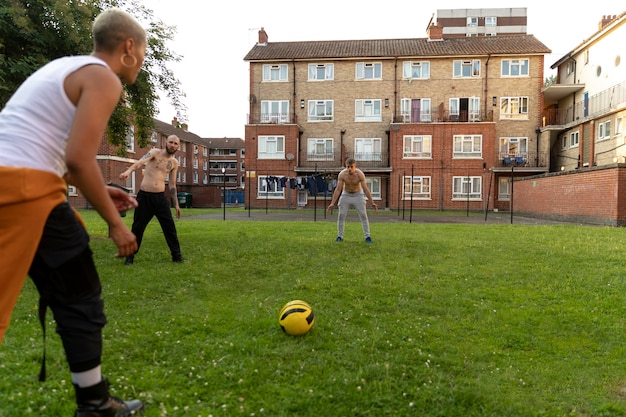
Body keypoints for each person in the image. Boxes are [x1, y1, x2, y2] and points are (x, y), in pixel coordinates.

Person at [0, 8, 146, 416]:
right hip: (21, 190)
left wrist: (105, 189)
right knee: (80, 294)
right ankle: (95, 403)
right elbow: (82, 159)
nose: (144, 58)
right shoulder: (103, 76)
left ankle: (95, 400)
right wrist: (116, 226)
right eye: (145, 50)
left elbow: (54, 152)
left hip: (25, 184)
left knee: (77, 292)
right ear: (128, 48)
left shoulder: (64, 68)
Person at [119, 134, 184, 265]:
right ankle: (130, 257)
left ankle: (176, 256)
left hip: (160, 199)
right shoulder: (155, 153)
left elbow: (172, 185)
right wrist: (128, 172)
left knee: (169, 227)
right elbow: (140, 163)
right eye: (171, 142)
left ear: (178, 146)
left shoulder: (174, 163)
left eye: (176, 144)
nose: (173, 145)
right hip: (145, 197)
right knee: (138, 227)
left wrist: (176, 204)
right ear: (166, 142)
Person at [327, 157, 378, 243]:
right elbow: (338, 189)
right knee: (341, 215)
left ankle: (367, 237)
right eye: (348, 167)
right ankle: (340, 236)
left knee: (363, 215)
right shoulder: (342, 174)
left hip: (358, 194)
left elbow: (365, 189)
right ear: (345, 166)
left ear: (355, 166)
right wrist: (332, 203)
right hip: (346, 194)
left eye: (351, 167)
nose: (349, 169)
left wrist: (372, 202)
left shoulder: (360, 174)